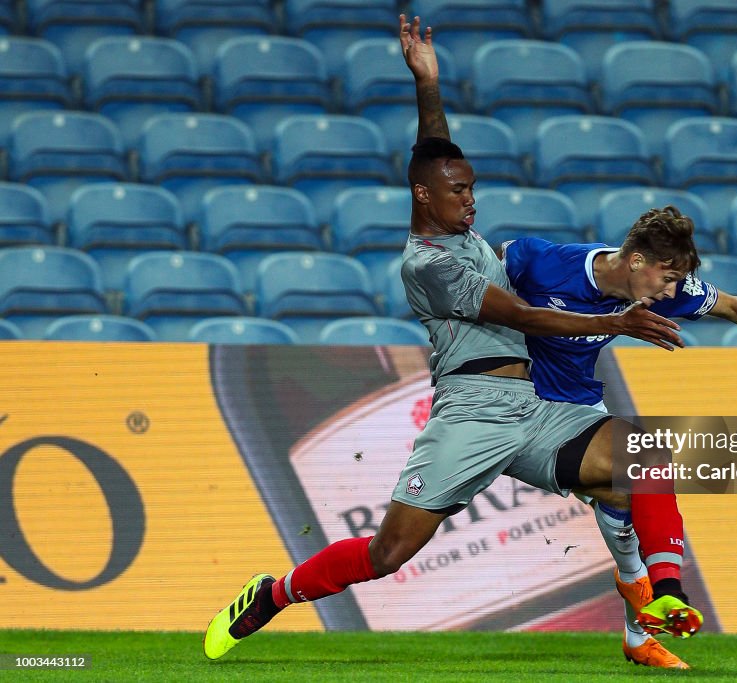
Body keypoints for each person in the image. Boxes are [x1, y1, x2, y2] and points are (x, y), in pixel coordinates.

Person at [203, 15, 702, 663]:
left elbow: (433, 152)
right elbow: (520, 316)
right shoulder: (429, 265)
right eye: (458, 192)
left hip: (532, 409)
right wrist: (613, 321)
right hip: (469, 415)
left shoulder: (464, 237)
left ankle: (664, 594)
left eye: (473, 189)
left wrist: (428, 85)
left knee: (643, 457)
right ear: (424, 198)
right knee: (388, 553)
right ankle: (273, 593)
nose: (471, 200)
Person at [499, 210, 737, 668]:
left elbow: (732, 305)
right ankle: (644, 593)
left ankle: (642, 627)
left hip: (577, 412)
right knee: (407, 540)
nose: (672, 291)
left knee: (631, 496)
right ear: (635, 261)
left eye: (678, 281)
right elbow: (473, 279)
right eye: (668, 277)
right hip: (502, 408)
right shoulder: (540, 261)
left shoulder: (656, 290)